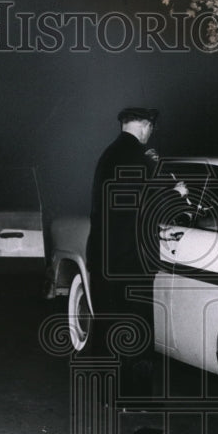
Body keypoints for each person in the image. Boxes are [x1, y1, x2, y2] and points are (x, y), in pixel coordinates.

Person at [85, 107, 184, 397]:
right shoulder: (136, 157)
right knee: (137, 328)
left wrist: (155, 230)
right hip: (131, 261)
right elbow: (146, 202)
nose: (151, 133)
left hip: (104, 256)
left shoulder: (108, 155)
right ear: (144, 126)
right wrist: (176, 193)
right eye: (151, 127)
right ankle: (134, 396)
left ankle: (104, 393)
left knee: (107, 325)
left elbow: (124, 209)